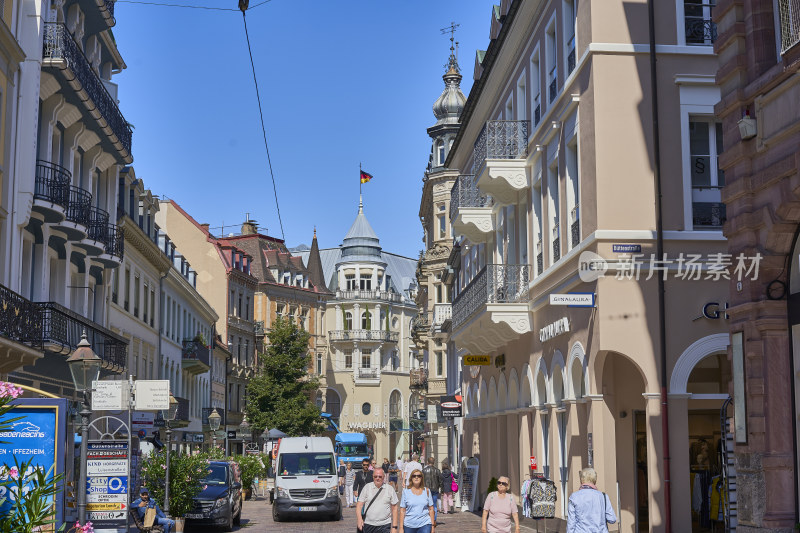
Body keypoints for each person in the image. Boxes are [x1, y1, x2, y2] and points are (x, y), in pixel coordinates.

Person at [566, 467, 617, 533]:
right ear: (595, 480)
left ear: (581, 479)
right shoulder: (603, 496)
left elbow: (571, 524)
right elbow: (612, 519)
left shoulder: (574, 497)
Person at [357, 467, 399, 533]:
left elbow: (395, 508)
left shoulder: (390, 489)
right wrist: (359, 519)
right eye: (375, 476)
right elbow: (359, 505)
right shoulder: (367, 487)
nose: (377, 478)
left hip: (384, 525)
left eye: (380, 476)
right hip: (368, 524)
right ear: (373, 477)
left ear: (384, 477)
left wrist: (394, 527)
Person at [399, 468, 435, 533]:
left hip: (425, 524)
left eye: (419, 476)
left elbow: (431, 509)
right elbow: (402, 510)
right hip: (409, 525)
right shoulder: (406, 491)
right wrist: (401, 528)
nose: (416, 477)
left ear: (421, 478)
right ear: (411, 478)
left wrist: (432, 526)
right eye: (414, 476)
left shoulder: (426, 491)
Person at [422, 457, 442, 524]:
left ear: (427, 462)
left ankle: (428, 519)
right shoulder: (437, 470)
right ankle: (434, 520)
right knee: (434, 505)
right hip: (435, 489)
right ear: (434, 462)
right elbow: (440, 481)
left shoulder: (424, 470)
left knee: (427, 505)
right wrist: (440, 487)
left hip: (426, 490)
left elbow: (421, 480)